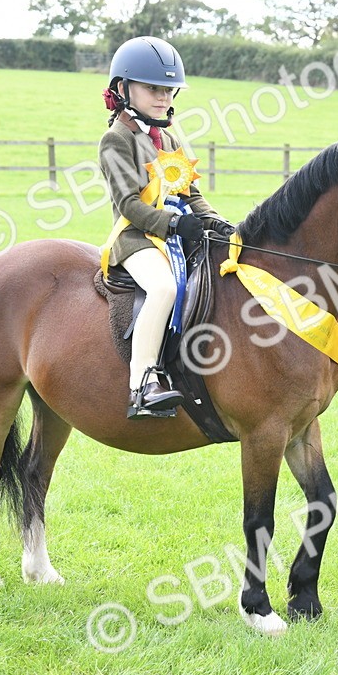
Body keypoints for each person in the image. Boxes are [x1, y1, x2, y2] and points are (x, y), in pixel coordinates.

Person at [99, 35, 235, 419]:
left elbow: (191, 193)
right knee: (163, 287)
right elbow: (129, 204)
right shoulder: (116, 140)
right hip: (136, 239)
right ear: (123, 89)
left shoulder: (170, 136)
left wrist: (218, 224)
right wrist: (176, 225)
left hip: (176, 234)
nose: (163, 97)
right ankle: (141, 384)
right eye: (152, 88)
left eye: (169, 90)